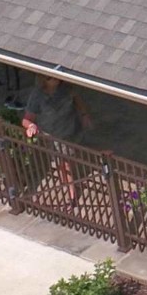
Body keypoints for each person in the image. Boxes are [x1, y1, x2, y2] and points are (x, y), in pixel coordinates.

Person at [21, 73, 92, 203]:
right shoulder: (37, 96)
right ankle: (71, 191)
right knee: (64, 163)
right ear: (44, 80)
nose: (55, 79)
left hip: (71, 129)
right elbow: (26, 119)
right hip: (53, 136)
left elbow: (76, 99)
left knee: (70, 159)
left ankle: (69, 182)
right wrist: (31, 126)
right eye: (51, 78)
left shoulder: (66, 88)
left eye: (55, 76)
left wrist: (84, 114)